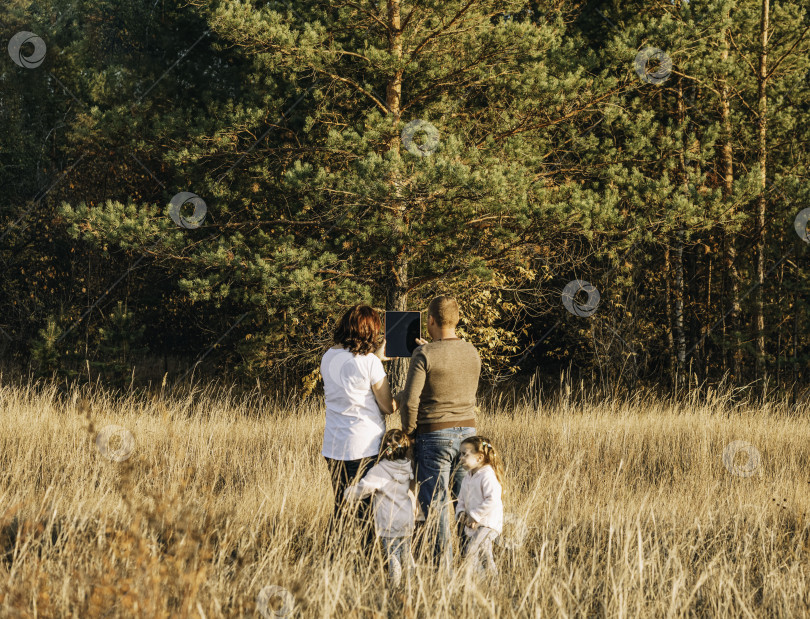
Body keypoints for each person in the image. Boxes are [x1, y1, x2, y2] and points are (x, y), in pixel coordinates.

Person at [395, 295, 481, 575]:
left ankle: (443, 572)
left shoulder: (425, 354)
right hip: (469, 435)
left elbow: (410, 401)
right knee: (465, 503)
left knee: (435, 506)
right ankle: (471, 565)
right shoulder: (472, 351)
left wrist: (408, 433)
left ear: (430, 320)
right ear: (456, 319)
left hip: (434, 436)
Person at [321, 304, 397, 553]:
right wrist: (405, 395)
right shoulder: (370, 364)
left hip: (333, 445)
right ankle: (370, 562)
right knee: (367, 511)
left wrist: (375, 359)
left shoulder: (328, 356)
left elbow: (349, 374)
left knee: (342, 505)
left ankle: (333, 556)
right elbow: (387, 406)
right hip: (364, 446)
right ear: (369, 331)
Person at [343, 429, 419, 590]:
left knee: (393, 556)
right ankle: (412, 584)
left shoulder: (380, 470)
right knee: (406, 553)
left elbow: (364, 488)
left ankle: (395, 587)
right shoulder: (408, 467)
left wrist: (347, 493)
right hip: (406, 519)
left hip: (388, 520)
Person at [455, 436, 504, 583]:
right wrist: (461, 513)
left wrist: (475, 516)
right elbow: (461, 500)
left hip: (488, 523)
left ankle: (482, 583)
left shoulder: (487, 475)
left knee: (471, 552)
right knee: (485, 554)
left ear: (479, 457)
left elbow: (493, 499)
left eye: (465, 454)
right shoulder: (467, 477)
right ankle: (492, 583)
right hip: (476, 524)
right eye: (461, 454)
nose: (461, 458)